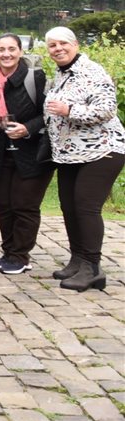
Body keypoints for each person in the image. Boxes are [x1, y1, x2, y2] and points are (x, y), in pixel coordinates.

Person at [42, 26, 125, 292]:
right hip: (71, 153)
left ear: (75, 44)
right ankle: (77, 259)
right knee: (68, 205)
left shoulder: (92, 72)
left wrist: (69, 110)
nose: (58, 49)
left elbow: (106, 109)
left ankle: (92, 267)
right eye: (52, 45)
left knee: (86, 206)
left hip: (102, 150)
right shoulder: (61, 75)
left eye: (63, 44)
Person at [0, 33, 54, 275]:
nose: (6, 54)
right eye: (1, 49)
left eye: (11, 49)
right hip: (0, 152)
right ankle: (9, 251)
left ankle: (21, 255)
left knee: (25, 205)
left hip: (31, 152)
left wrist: (27, 128)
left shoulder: (36, 78)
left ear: (20, 51)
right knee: (3, 204)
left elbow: (50, 114)